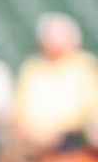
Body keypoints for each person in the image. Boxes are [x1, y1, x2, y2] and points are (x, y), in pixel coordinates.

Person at [11, 12, 98, 154]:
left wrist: (57, 131)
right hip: (33, 140)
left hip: (72, 138)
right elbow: (19, 110)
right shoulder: (32, 67)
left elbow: (91, 108)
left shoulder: (85, 65)